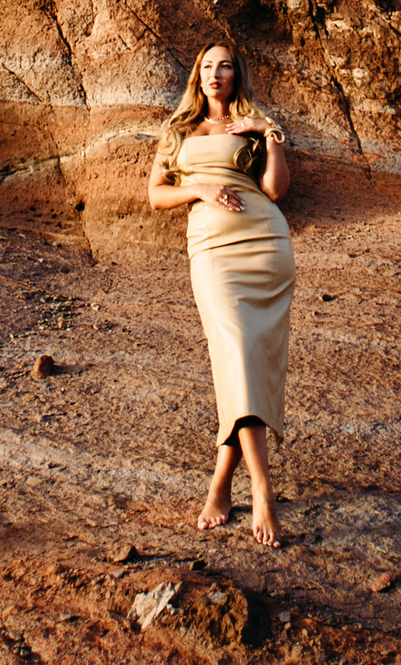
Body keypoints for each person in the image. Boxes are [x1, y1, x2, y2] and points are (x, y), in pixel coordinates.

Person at [144, 39, 296, 546]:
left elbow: (275, 190)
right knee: (234, 350)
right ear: (197, 76)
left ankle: (224, 486)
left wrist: (269, 133)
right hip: (211, 248)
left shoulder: (251, 124)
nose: (216, 73)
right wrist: (200, 188)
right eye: (208, 66)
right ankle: (261, 488)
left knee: (243, 362)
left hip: (264, 242)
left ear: (236, 75)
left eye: (225, 65)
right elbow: (156, 194)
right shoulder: (178, 131)